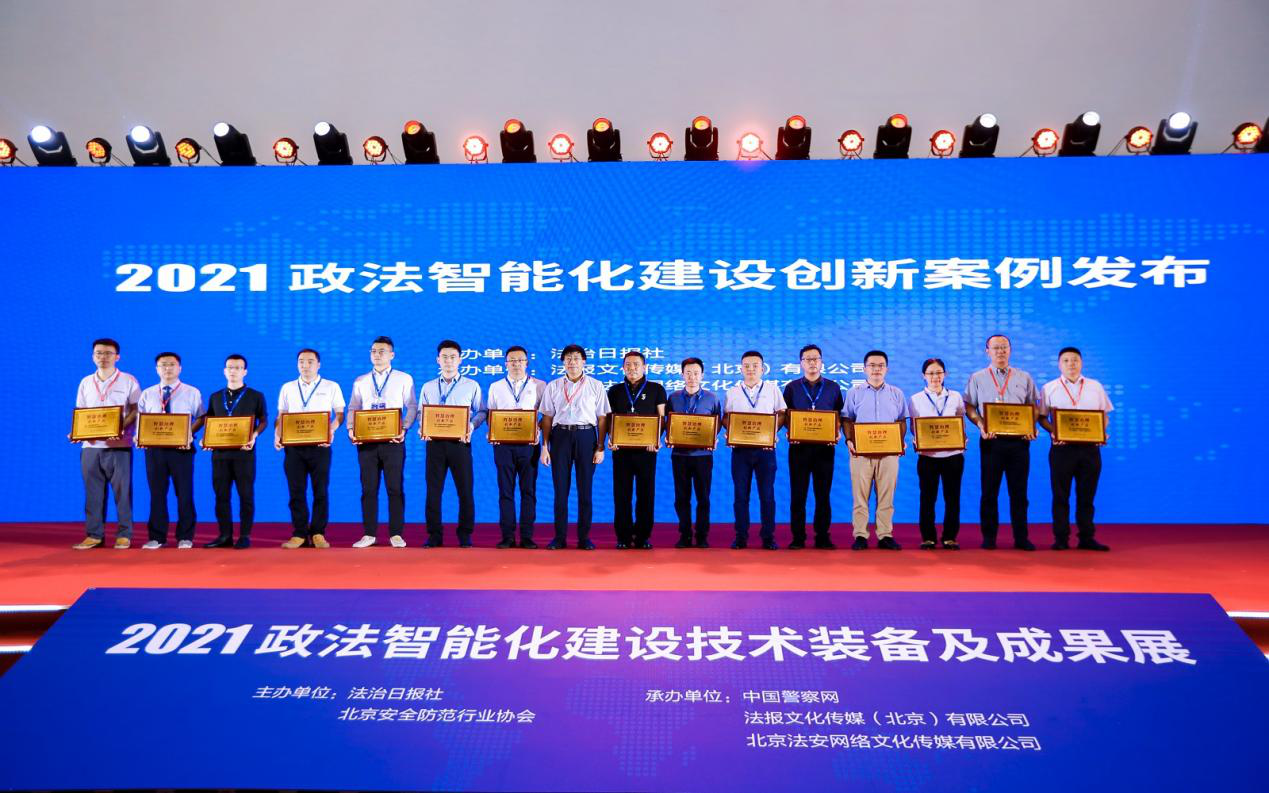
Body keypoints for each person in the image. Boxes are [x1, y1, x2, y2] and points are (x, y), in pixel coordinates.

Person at [963, 334, 1041, 551]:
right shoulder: (977, 377)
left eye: (1004, 347)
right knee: (989, 492)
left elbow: (1033, 406)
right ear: (987, 351)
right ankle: (989, 537)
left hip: (1019, 443)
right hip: (992, 442)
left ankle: (1021, 538)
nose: (1000, 351)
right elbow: (969, 406)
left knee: (1019, 493)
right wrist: (981, 425)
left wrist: (1030, 426)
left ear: (1010, 350)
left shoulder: (1024, 377)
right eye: (996, 347)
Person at [1038, 346, 1114, 551]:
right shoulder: (1049, 388)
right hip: (1062, 449)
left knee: (1087, 496)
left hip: (1090, 449)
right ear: (1059, 364)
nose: (1071, 364)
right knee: (1060, 495)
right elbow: (1042, 417)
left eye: (1075, 360)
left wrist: (1101, 432)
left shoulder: (1095, 386)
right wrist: (1054, 432)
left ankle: (1086, 537)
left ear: (1081, 363)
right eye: (1066, 360)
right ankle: (1061, 538)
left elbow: (1104, 415)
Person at [71, 338, 141, 550]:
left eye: (108, 353)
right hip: (90, 447)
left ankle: (124, 535)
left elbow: (136, 410)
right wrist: (77, 432)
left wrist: (119, 427)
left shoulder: (128, 380)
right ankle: (94, 535)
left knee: (122, 493)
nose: (103, 357)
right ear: (93, 356)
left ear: (117, 356)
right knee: (93, 493)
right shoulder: (85, 382)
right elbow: (81, 413)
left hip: (119, 446)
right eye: (99, 353)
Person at [349, 336, 417, 548]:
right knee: (368, 489)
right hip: (367, 441)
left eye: (381, 351)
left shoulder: (404, 378)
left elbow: (412, 406)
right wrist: (351, 429)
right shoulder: (360, 380)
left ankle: (396, 534)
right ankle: (369, 534)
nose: (377, 355)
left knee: (394, 488)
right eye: (373, 351)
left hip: (393, 441)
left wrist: (404, 428)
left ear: (392, 355)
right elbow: (353, 407)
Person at [539, 344, 610, 550]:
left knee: (585, 490)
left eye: (576, 358)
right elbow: (547, 418)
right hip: (560, 436)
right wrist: (545, 446)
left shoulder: (596, 385)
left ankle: (584, 538)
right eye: (568, 358)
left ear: (584, 361)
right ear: (563, 362)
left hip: (586, 436)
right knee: (560, 490)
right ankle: (559, 537)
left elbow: (602, 418)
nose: (572, 362)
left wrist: (600, 447)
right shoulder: (553, 386)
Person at [276, 349, 345, 549]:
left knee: (320, 491)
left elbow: (340, 414)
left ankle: (318, 533)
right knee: (296, 491)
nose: (305, 365)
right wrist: (277, 435)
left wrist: (331, 430)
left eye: (310, 361)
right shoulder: (288, 387)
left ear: (318, 364)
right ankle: (299, 533)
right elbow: (281, 416)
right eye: (301, 361)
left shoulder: (331, 386)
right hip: (294, 447)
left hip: (320, 447)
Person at [418, 339, 484, 547]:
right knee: (433, 491)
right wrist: (423, 427)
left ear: (460, 360)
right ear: (438, 360)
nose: (448, 361)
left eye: (453, 357)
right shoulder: (428, 386)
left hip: (459, 444)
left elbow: (482, 411)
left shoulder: (471, 385)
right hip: (435, 444)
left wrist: (470, 426)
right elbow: (421, 413)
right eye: (444, 357)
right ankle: (434, 535)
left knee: (465, 490)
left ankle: (465, 534)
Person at [841, 350, 908, 550]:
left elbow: (901, 420)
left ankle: (885, 535)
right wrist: (849, 440)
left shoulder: (896, 393)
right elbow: (847, 419)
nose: (876, 369)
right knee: (860, 496)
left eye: (880, 365)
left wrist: (900, 440)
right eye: (872, 365)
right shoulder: (854, 393)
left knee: (887, 496)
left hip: (889, 453)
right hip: (860, 453)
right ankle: (860, 535)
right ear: (864, 369)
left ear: (887, 369)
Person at [137, 352, 205, 549]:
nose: (167, 368)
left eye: (172, 364)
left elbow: (201, 417)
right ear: (156, 369)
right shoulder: (147, 393)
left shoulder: (192, 392)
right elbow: (142, 420)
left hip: (181, 450)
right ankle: (157, 537)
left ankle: (186, 536)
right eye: (163, 365)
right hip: (154, 451)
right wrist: (139, 437)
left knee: (184, 494)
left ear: (180, 368)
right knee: (157, 493)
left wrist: (188, 433)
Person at [782, 344, 845, 549]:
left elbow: (839, 415)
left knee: (823, 494)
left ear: (821, 362)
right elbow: (785, 416)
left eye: (816, 359)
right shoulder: (791, 388)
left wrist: (836, 431)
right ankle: (798, 537)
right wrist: (791, 431)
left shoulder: (833, 387)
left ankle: (822, 536)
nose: (812, 362)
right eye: (807, 359)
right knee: (798, 494)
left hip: (824, 449)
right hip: (799, 448)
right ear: (801, 363)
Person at [723, 350, 786, 550]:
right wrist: (730, 432)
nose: (751, 369)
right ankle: (741, 537)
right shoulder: (732, 392)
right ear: (741, 369)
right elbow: (726, 417)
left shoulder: (772, 389)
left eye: (755, 365)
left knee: (767, 495)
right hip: (740, 452)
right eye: (747, 366)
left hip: (765, 451)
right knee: (741, 496)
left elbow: (782, 413)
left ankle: (768, 537)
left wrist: (772, 431)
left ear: (763, 368)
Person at [202, 354, 267, 549]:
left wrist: (254, 435)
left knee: (245, 495)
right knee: (221, 495)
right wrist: (206, 440)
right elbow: (210, 422)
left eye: (238, 368)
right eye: (230, 367)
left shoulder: (256, 395)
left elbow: (263, 420)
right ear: (224, 371)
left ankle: (245, 535)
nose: (233, 371)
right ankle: (225, 535)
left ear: (245, 371)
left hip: (244, 453)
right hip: (220, 455)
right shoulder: (215, 397)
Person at [606, 350, 667, 549]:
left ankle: (642, 536)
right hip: (621, 451)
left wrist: (656, 440)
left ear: (644, 367)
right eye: (628, 364)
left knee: (646, 494)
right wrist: (611, 438)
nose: (632, 368)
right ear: (623, 367)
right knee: (621, 494)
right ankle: (623, 537)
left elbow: (662, 418)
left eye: (636, 364)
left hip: (647, 451)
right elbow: (609, 418)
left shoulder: (657, 389)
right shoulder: (614, 391)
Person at [485, 346, 545, 548]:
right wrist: (493, 432)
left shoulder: (539, 385)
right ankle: (508, 536)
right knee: (505, 491)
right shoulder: (496, 386)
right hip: (503, 446)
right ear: (506, 364)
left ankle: (527, 536)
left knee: (528, 491)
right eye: (512, 360)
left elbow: (546, 414)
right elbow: (491, 414)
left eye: (520, 360)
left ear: (527, 363)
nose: (516, 364)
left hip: (529, 446)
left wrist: (537, 430)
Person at [908, 358, 966, 550]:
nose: (935, 377)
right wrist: (918, 440)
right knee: (927, 498)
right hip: (928, 457)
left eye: (939, 372)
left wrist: (961, 438)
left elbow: (959, 421)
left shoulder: (956, 396)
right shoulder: (915, 399)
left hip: (953, 456)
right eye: (931, 373)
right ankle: (928, 537)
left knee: (953, 498)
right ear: (923, 376)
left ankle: (950, 537)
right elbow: (914, 427)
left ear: (945, 374)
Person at [665, 357, 722, 548]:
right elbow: (668, 423)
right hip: (679, 456)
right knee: (681, 498)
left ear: (702, 375)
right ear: (682, 374)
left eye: (696, 373)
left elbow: (717, 422)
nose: (692, 377)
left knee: (703, 498)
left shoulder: (712, 398)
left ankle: (702, 536)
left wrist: (712, 438)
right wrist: (669, 437)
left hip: (703, 456)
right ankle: (685, 535)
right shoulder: (673, 398)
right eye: (688, 373)